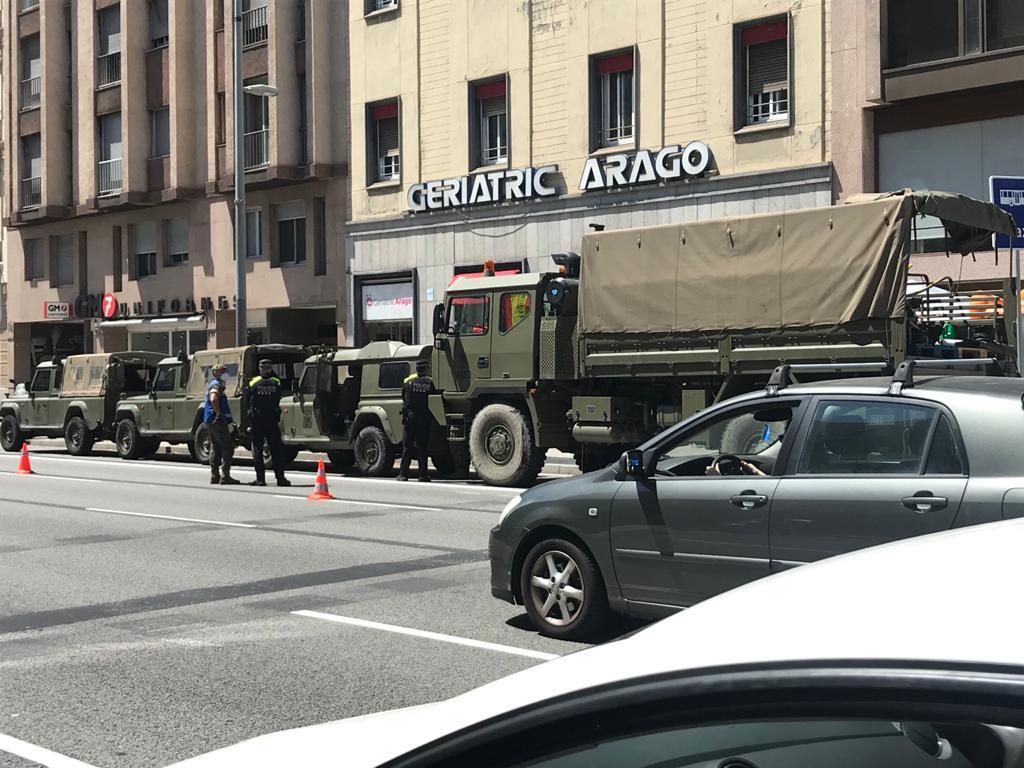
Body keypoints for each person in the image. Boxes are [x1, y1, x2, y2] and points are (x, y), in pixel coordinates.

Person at [247, 359, 291, 487]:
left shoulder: (253, 382)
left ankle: (260, 479)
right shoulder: (276, 382)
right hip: (272, 419)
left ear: (260, 369)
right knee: (276, 449)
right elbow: (279, 397)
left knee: (257, 449)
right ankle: (281, 478)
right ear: (271, 369)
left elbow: (247, 400)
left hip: (257, 420)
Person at [397, 359, 435, 482]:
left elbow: (403, 397)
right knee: (422, 447)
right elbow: (433, 398)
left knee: (407, 446)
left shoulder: (409, 382)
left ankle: (403, 474)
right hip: (423, 418)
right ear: (425, 369)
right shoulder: (429, 383)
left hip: (410, 417)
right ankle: (423, 475)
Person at [204, 363, 239, 485]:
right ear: (215, 373)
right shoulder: (216, 385)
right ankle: (225, 476)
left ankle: (215, 475)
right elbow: (213, 398)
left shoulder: (215, 384)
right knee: (228, 447)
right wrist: (218, 414)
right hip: (217, 420)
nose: (225, 374)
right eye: (221, 372)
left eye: (224, 372)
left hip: (211, 420)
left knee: (215, 447)